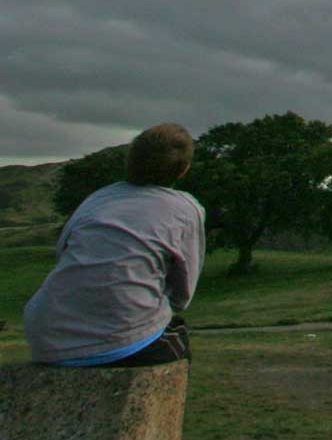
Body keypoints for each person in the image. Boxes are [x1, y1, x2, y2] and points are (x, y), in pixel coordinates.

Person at [23, 123, 205, 367]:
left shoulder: (98, 198)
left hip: (45, 333)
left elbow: (63, 251)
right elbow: (183, 291)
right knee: (177, 343)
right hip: (120, 335)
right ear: (183, 169)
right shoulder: (186, 209)